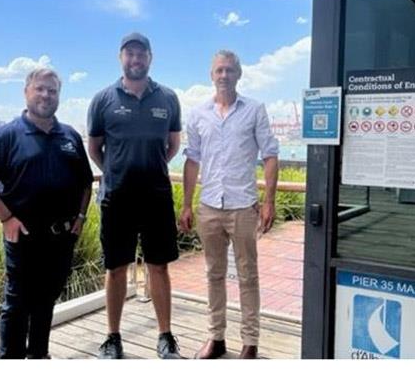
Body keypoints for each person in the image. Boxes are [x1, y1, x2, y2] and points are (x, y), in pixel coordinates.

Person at [0, 68, 93, 359]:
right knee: (17, 304)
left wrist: (81, 218)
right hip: (24, 237)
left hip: (62, 238)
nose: (46, 95)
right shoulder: (6, 135)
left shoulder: (70, 136)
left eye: (52, 90)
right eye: (40, 89)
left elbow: (86, 182)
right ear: (27, 92)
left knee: (47, 300)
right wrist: (6, 217)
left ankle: (39, 356)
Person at [87, 32, 182, 359]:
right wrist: (118, 169)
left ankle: (165, 336)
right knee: (115, 268)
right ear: (121, 58)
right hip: (117, 198)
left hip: (156, 196)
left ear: (150, 58)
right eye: (129, 54)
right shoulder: (102, 99)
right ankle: (112, 337)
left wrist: (148, 166)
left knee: (159, 267)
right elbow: (94, 148)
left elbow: (173, 144)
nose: (135, 59)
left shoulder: (168, 98)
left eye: (141, 54)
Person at [180, 50, 279, 359]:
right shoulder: (197, 114)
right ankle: (216, 337)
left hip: (244, 205)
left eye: (230, 70)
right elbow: (192, 160)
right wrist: (186, 205)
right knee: (213, 274)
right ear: (211, 75)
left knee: (248, 276)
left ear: (239, 74)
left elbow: (270, 155)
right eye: (219, 70)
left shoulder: (254, 110)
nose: (224, 75)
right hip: (209, 206)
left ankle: (250, 342)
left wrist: (269, 201)